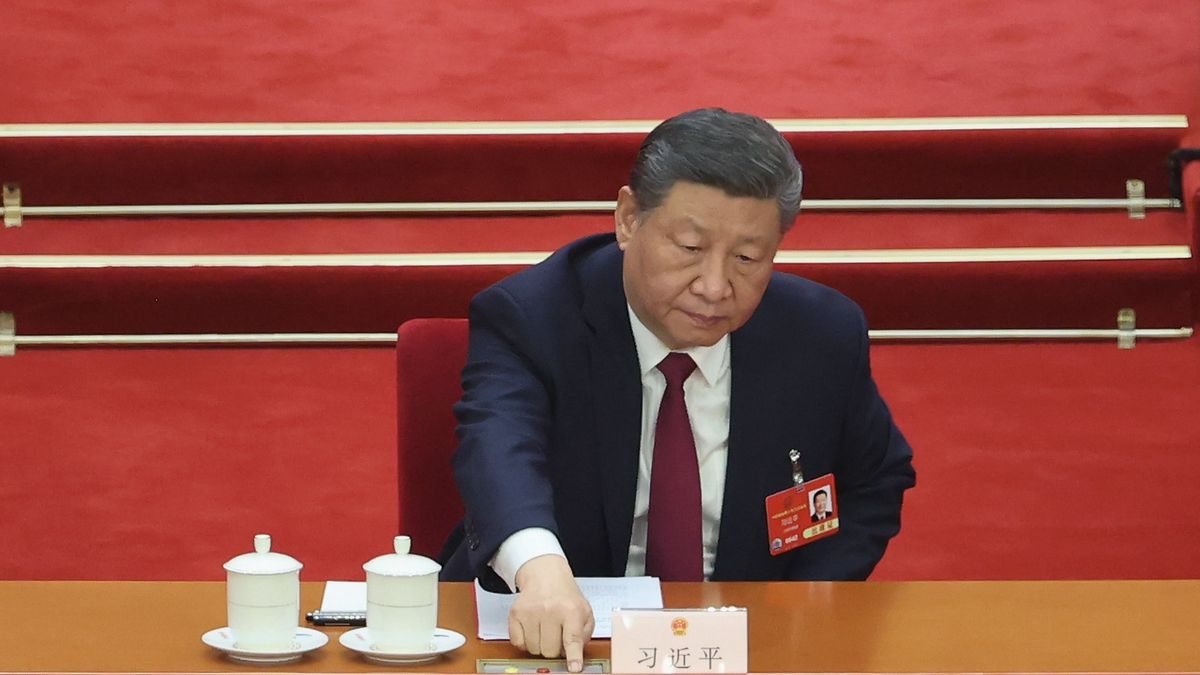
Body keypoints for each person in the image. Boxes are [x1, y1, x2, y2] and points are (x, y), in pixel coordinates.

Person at [440, 108, 916, 671]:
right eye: (690, 248)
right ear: (628, 219)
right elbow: (498, 450)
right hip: (565, 639)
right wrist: (539, 571)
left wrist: (801, 607)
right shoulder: (533, 317)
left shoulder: (820, 334)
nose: (715, 287)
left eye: (747, 258)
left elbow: (874, 481)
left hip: (748, 643)